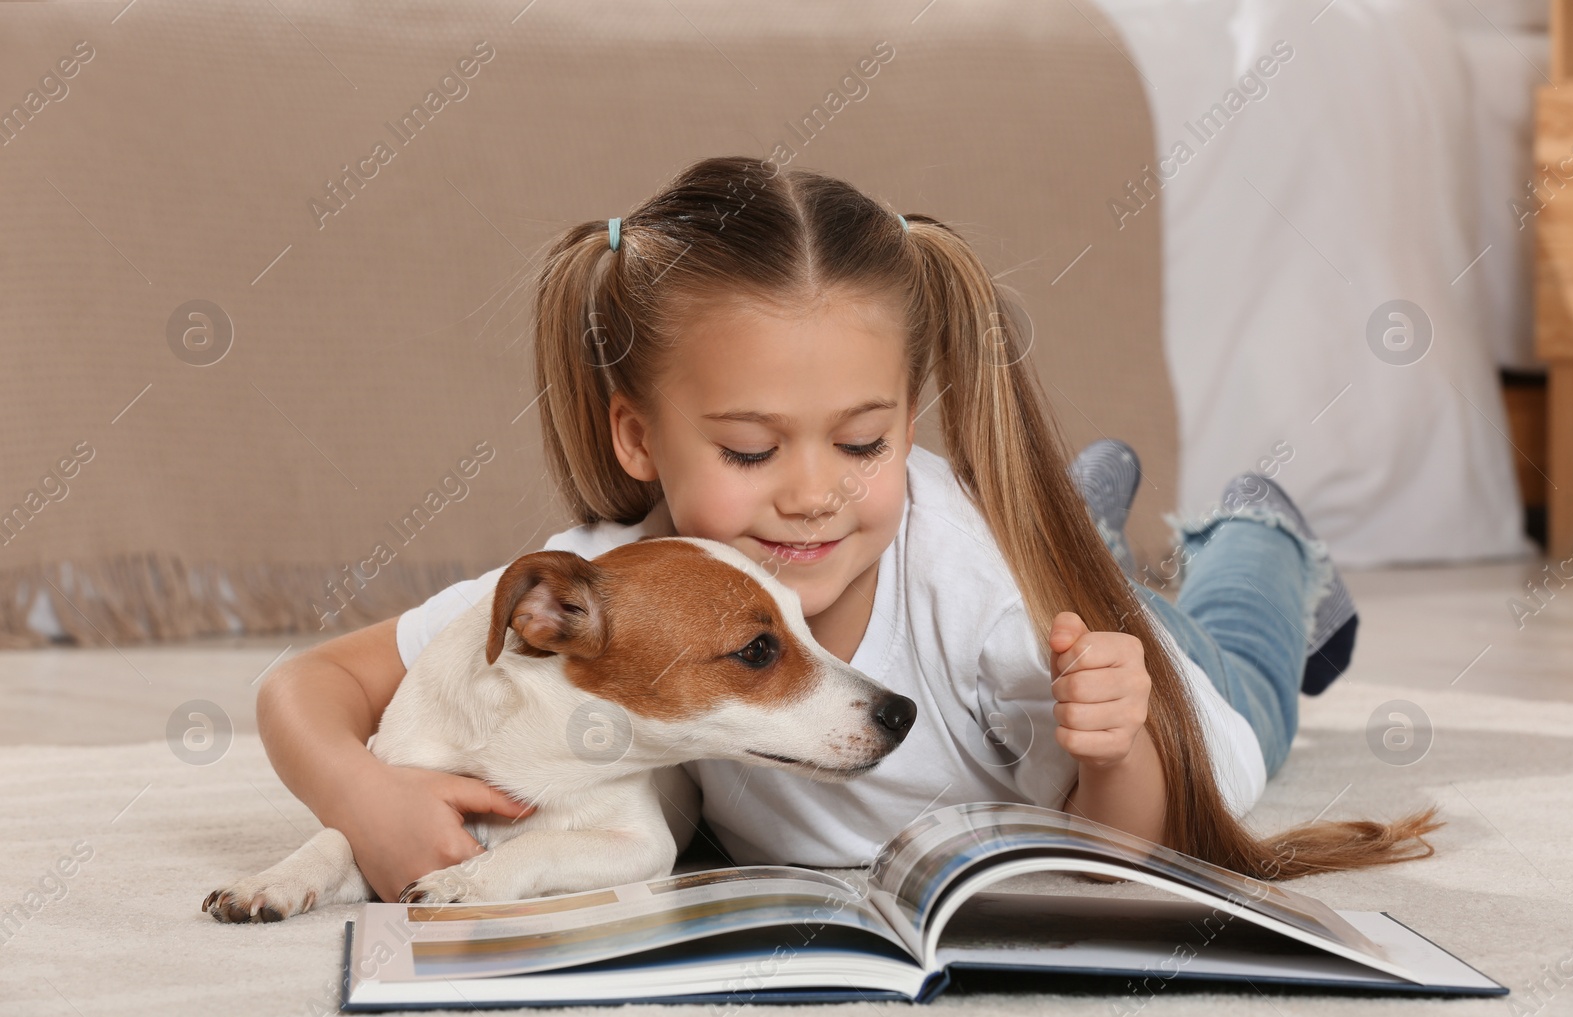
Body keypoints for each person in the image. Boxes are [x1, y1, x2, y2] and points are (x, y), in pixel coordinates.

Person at [256, 156, 1438, 903]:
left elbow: (1123, 854)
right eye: (753, 451)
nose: (812, 494)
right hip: (1013, 571)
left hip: (1159, 703)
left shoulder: (984, 609)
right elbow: (309, 683)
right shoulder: (619, 583)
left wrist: (1120, 741)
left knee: (1235, 661)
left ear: (908, 422)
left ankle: (1260, 537)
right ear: (638, 441)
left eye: (864, 444)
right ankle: (1084, 507)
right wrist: (361, 798)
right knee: (1065, 550)